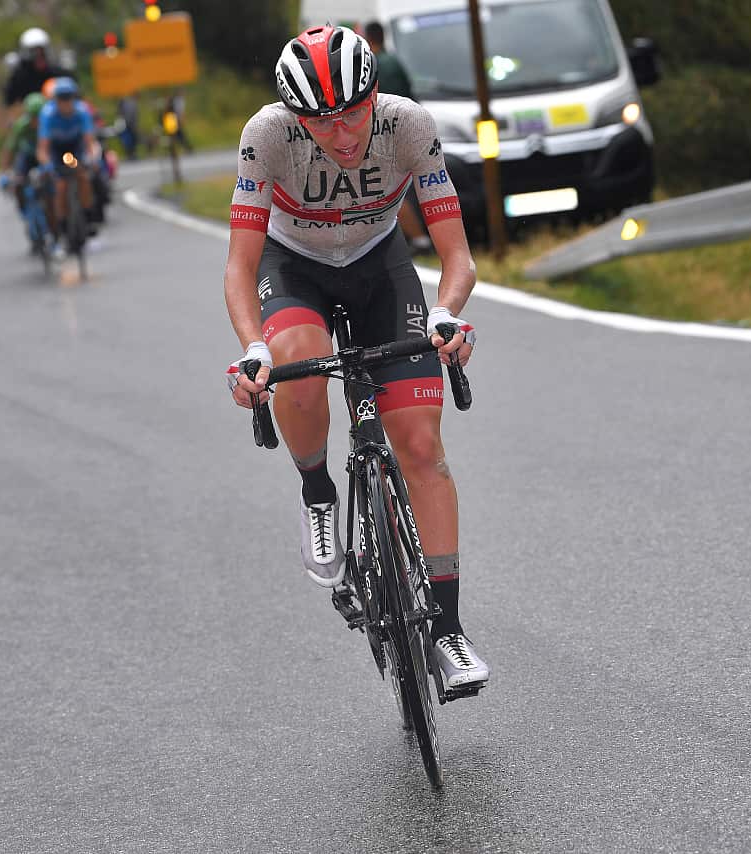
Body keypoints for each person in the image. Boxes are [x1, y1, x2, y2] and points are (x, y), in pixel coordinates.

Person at [222, 26, 489, 691]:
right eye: (320, 121)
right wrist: (252, 348)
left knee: (421, 447)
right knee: (301, 363)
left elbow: (456, 257)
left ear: (376, 95)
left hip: (381, 267)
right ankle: (318, 492)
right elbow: (240, 265)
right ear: (294, 116)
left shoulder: (407, 126)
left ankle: (448, 632)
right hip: (296, 270)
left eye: (353, 113)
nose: (341, 134)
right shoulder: (267, 136)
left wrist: (449, 311)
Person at [363, 20, 431, 255]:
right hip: (410, 131)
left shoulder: (374, 66)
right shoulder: (394, 61)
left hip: (388, 137)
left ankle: (421, 240)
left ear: (368, 38)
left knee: (387, 192)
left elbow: (377, 109)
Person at [36, 77, 100, 247]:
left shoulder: (82, 112)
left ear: (74, 98)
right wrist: (47, 164)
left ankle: (88, 216)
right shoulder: (48, 115)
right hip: (57, 152)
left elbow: (90, 141)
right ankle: (63, 225)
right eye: (61, 98)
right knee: (60, 186)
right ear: (55, 100)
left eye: (69, 97)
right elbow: (43, 148)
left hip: (74, 150)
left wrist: (93, 158)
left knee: (83, 177)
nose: (66, 102)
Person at [0, 92, 45, 222]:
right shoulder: (21, 126)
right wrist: (4, 172)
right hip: (27, 157)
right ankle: (24, 210)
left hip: (45, 156)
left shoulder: (49, 123)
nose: (36, 120)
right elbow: (9, 149)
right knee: (18, 183)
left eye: (39, 116)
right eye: (33, 116)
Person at [3, 28, 74, 108]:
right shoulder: (19, 77)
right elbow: (8, 102)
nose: (38, 56)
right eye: (33, 53)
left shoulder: (59, 74)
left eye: (42, 52)